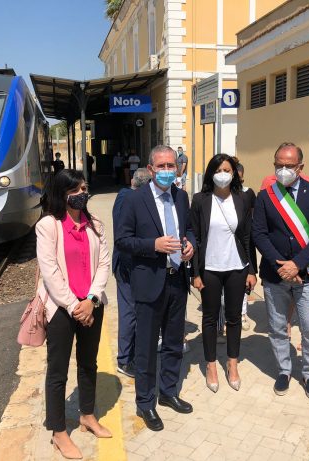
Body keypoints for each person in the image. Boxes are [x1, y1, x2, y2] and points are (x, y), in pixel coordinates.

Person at [115, 145, 196, 432]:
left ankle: (168, 392)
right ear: (150, 169)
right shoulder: (134, 200)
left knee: (173, 343)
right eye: (161, 166)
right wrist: (153, 245)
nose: (166, 171)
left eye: (171, 166)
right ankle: (145, 402)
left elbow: (189, 230)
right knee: (147, 347)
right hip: (149, 282)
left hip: (177, 280)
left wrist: (190, 245)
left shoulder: (181, 196)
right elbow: (122, 240)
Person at [36, 170, 112, 459]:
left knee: (88, 363)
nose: (83, 193)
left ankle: (87, 415)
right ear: (62, 193)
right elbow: (50, 272)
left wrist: (91, 300)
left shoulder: (96, 224)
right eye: (76, 189)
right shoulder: (48, 226)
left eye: (84, 188)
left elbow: (104, 264)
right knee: (57, 372)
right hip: (62, 309)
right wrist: (74, 306)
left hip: (92, 305)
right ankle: (58, 431)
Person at [253, 142, 309, 401]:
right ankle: (284, 370)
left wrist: (297, 264)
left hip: (307, 274)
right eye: (279, 165)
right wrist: (281, 266)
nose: (283, 170)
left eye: (289, 165)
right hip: (275, 275)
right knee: (277, 327)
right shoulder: (266, 196)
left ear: (300, 167)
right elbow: (259, 234)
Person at [190, 154, 256, 393]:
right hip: (209, 269)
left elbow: (247, 236)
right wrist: (195, 273)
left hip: (237, 267)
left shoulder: (241, 199)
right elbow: (195, 237)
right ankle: (211, 365)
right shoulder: (200, 200)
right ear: (211, 173)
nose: (223, 174)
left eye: (227, 170)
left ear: (234, 173)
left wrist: (252, 270)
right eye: (218, 170)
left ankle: (232, 363)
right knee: (209, 318)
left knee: (234, 317)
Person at [112, 168, 153, 378]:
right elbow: (125, 235)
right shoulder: (129, 199)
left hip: (129, 264)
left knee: (133, 312)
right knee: (129, 313)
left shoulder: (124, 196)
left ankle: (132, 354)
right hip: (128, 266)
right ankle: (125, 360)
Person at [236, 161, 257, 331]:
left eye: (241, 179)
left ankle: (242, 314)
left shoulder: (248, 193)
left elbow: (253, 215)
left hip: (245, 243)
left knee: (244, 282)